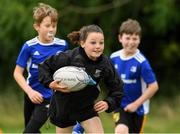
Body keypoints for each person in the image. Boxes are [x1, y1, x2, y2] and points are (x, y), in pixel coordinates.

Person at [38, 24, 123, 133]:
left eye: (101, 43)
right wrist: (50, 83)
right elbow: (43, 67)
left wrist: (108, 102)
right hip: (63, 107)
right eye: (93, 42)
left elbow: (118, 88)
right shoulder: (69, 57)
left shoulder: (104, 64)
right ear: (82, 43)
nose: (98, 46)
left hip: (86, 107)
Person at [13, 3, 68, 133]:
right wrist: (30, 92)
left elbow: (67, 70)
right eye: (47, 25)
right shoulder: (29, 46)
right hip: (31, 94)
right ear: (37, 26)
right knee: (32, 131)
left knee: (29, 132)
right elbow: (17, 73)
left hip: (49, 96)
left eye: (54, 26)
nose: (51, 29)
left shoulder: (62, 45)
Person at [110, 18, 159, 133]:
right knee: (120, 131)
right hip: (119, 106)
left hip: (138, 109)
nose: (131, 42)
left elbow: (154, 86)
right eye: (127, 38)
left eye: (134, 38)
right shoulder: (113, 58)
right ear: (120, 38)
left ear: (139, 40)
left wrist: (136, 104)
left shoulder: (141, 62)